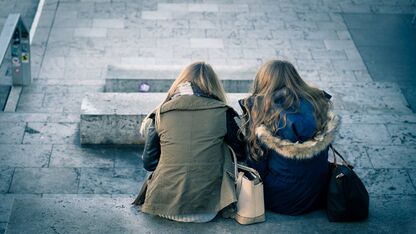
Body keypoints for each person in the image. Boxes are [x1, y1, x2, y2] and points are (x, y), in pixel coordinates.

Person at [134, 61, 246, 222]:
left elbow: (149, 163)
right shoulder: (224, 113)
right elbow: (241, 153)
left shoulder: (160, 113)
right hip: (208, 209)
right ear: (213, 85)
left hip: (163, 206)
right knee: (223, 146)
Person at [239, 60, 339, 215]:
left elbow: (257, 164)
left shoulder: (262, 110)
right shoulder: (319, 103)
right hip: (319, 194)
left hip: (280, 199)